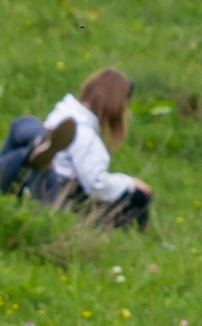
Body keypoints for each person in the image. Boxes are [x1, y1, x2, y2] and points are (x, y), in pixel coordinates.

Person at [26, 67, 152, 228]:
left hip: (44, 180)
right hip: (63, 193)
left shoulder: (62, 113)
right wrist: (128, 183)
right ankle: (124, 236)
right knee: (140, 196)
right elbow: (95, 185)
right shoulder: (85, 134)